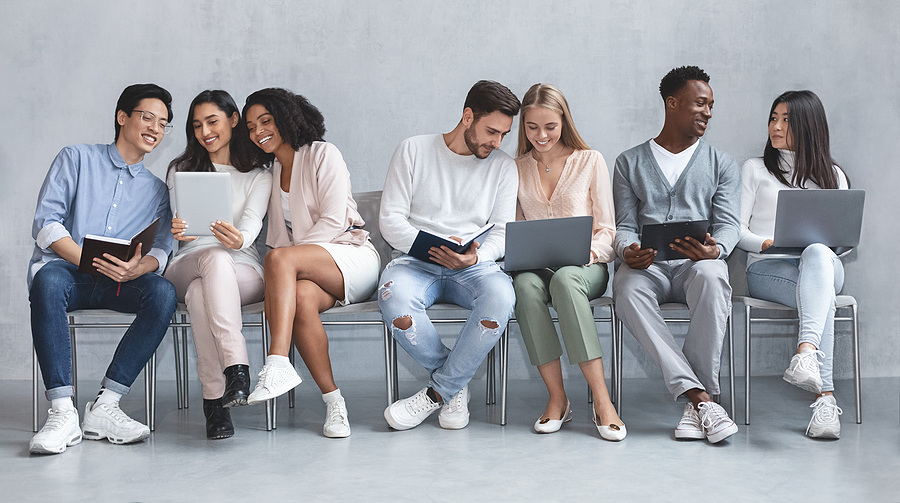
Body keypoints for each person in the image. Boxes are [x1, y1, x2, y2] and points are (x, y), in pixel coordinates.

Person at [28, 84, 177, 454]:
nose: (155, 128)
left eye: (163, 124)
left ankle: (105, 407)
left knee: (162, 292)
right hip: (69, 273)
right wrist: (87, 260)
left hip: (119, 283)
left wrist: (140, 266)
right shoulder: (76, 158)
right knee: (47, 280)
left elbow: (163, 245)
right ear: (122, 116)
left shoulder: (159, 191)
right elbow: (47, 224)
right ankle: (63, 414)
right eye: (148, 117)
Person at [379, 80, 520, 431]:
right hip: (415, 262)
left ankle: (437, 392)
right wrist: (433, 248)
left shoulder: (503, 167)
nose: (497, 142)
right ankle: (453, 384)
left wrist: (476, 257)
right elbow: (390, 220)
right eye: (491, 131)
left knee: (502, 296)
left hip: (473, 267)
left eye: (504, 134)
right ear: (467, 116)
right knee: (392, 296)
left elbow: (503, 229)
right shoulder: (413, 150)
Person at [612, 66, 740, 444]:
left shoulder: (722, 163)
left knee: (714, 276)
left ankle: (693, 405)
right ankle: (702, 399)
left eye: (711, 106)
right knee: (627, 289)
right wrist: (626, 249)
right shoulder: (629, 162)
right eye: (701, 103)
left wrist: (715, 249)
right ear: (672, 103)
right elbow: (623, 224)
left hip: (695, 265)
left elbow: (730, 224)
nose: (708, 113)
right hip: (647, 267)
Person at [242, 88, 379, 438]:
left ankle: (276, 362)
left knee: (280, 260)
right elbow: (277, 239)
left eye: (266, 121)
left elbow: (334, 221)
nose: (258, 132)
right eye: (251, 126)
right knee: (300, 298)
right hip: (310, 270)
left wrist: (289, 261)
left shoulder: (322, 153)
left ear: (286, 118)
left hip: (351, 258)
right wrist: (287, 264)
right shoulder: (272, 171)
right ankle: (334, 403)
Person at [512, 83, 625, 440]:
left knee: (564, 280)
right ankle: (557, 399)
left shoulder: (590, 160)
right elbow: (513, 229)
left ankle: (602, 401)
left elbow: (607, 229)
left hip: (585, 268)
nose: (541, 135)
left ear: (564, 121)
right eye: (532, 127)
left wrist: (588, 253)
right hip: (537, 269)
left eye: (550, 127)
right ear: (523, 126)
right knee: (525, 286)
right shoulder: (514, 168)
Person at [737, 90, 848, 439]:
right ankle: (825, 399)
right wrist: (765, 242)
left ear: (808, 126)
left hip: (822, 265)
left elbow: (840, 244)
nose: (776, 126)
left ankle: (805, 353)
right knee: (822, 298)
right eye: (773, 117)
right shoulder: (755, 169)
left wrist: (834, 245)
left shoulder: (833, 175)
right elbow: (735, 230)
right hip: (769, 267)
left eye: (786, 119)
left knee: (817, 252)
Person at [164, 90, 273, 439]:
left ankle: (214, 402)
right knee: (210, 259)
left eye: (212, 121)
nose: (204, 132)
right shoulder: (181, 170)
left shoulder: (259, 174)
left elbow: (253, 222)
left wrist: (239, 239)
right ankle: (237, 368)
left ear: (233, 120)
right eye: (197, 125)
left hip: (241, 266)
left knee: (200, 294)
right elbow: (182, 237)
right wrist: (180, 231)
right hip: (188, 261)